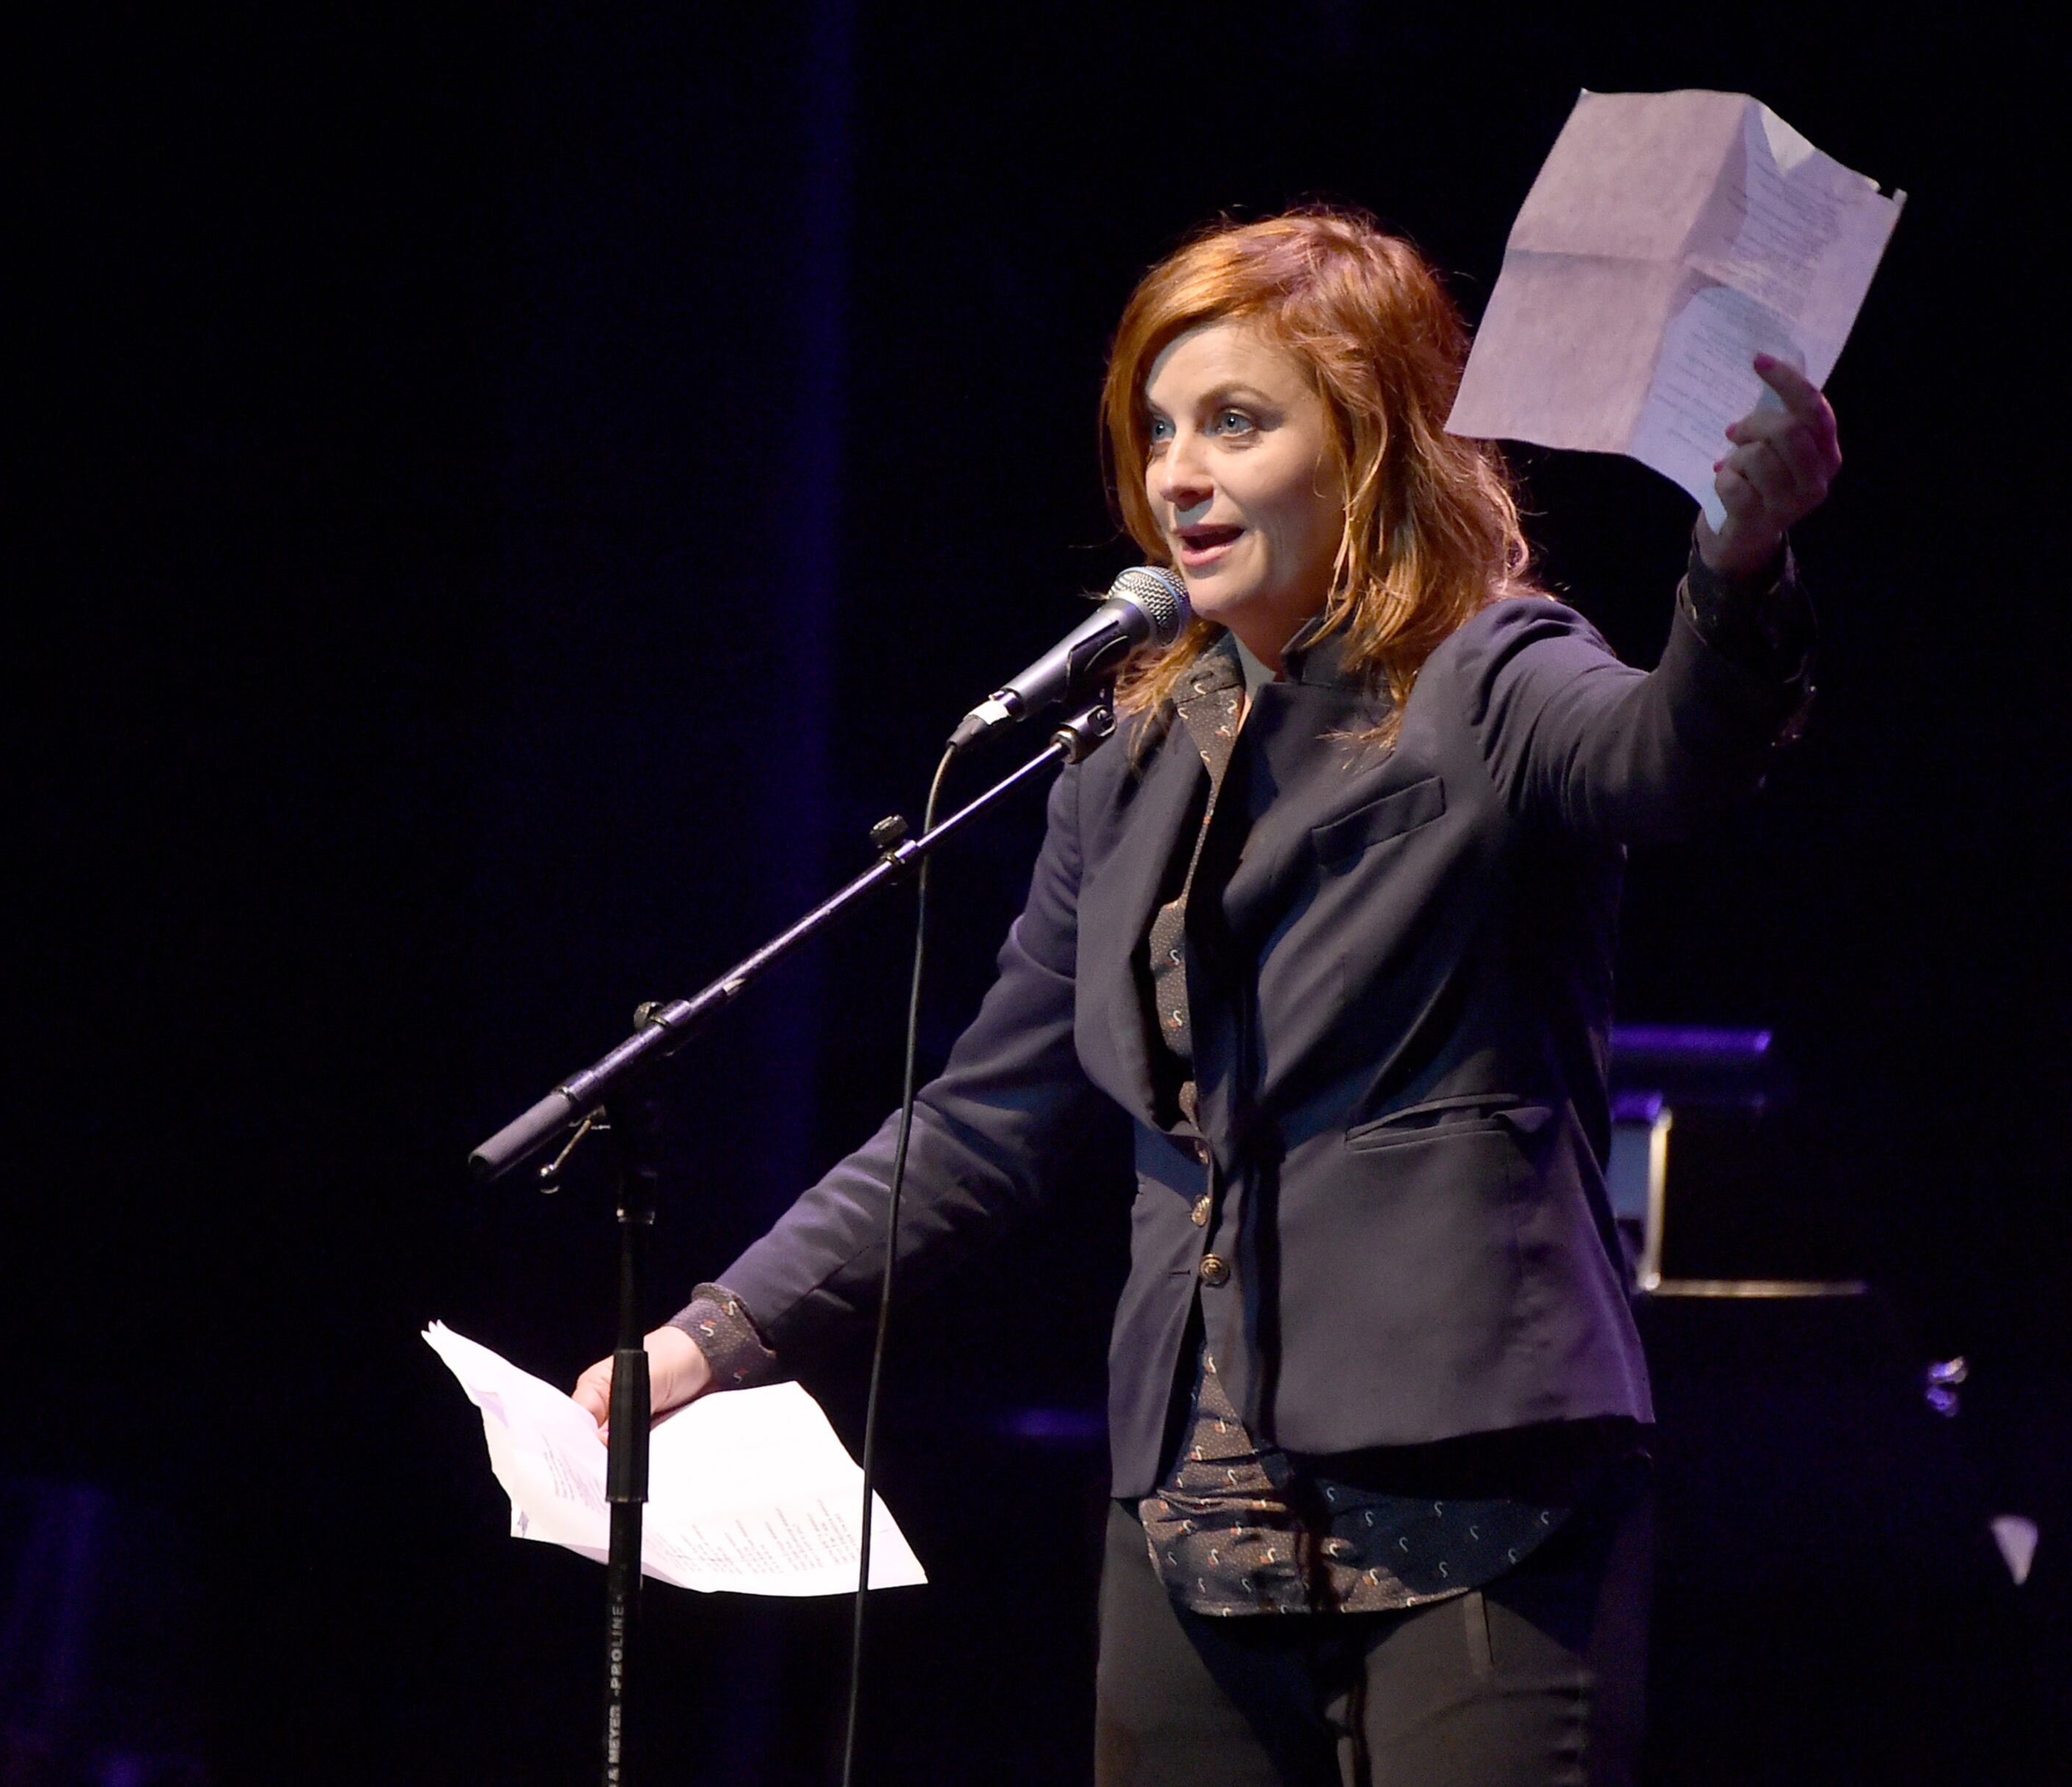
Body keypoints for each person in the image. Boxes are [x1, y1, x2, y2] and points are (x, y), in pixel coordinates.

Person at [572, 210, 1836, 1785]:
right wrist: (714, 1335)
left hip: (1477, 1491)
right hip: (1192, 1506)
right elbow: (984, 1117)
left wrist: (1733, 566)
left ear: (1366, 443)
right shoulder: (1123, 757)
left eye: (1236, 422)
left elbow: (1669, 754)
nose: (1179, 471)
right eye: (1160, 430)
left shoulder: (1489, 675)